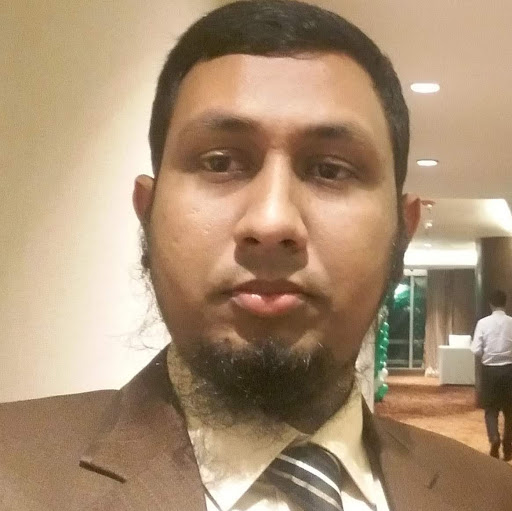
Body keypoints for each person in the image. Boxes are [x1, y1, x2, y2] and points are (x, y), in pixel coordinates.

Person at [1, 1, 511, 510]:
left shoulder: (491, 492)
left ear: (403, 230)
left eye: (331, 170)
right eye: (219, 162)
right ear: (147, 211)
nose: (271, 223)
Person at [472, 289, 512, 461]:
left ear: (490, 304)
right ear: (505, 303)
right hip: (509, 370)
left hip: (489, 371)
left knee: (491, 409)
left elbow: (476, 349)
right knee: (510, 411)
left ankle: (494, 438)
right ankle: (508, 448)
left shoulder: (483, 323)